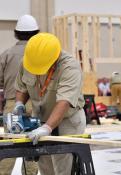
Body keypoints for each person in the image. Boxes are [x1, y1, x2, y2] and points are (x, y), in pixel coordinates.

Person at [14, 33, 86, 175]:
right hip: (40, 118)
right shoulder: (29, 61)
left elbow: (64, 102)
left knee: (64, 168)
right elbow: (21, 86)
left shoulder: (70, 67)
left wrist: (48, 127)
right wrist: (19, 104)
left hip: (67, 120)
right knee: (45, 165)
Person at [0, 14, 39, 175]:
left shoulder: (7, 54)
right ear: (36, 32)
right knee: (33, 146)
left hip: (12, 104)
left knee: (9, 146)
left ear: (16, 33)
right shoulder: (39, 53)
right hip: (36, 104)